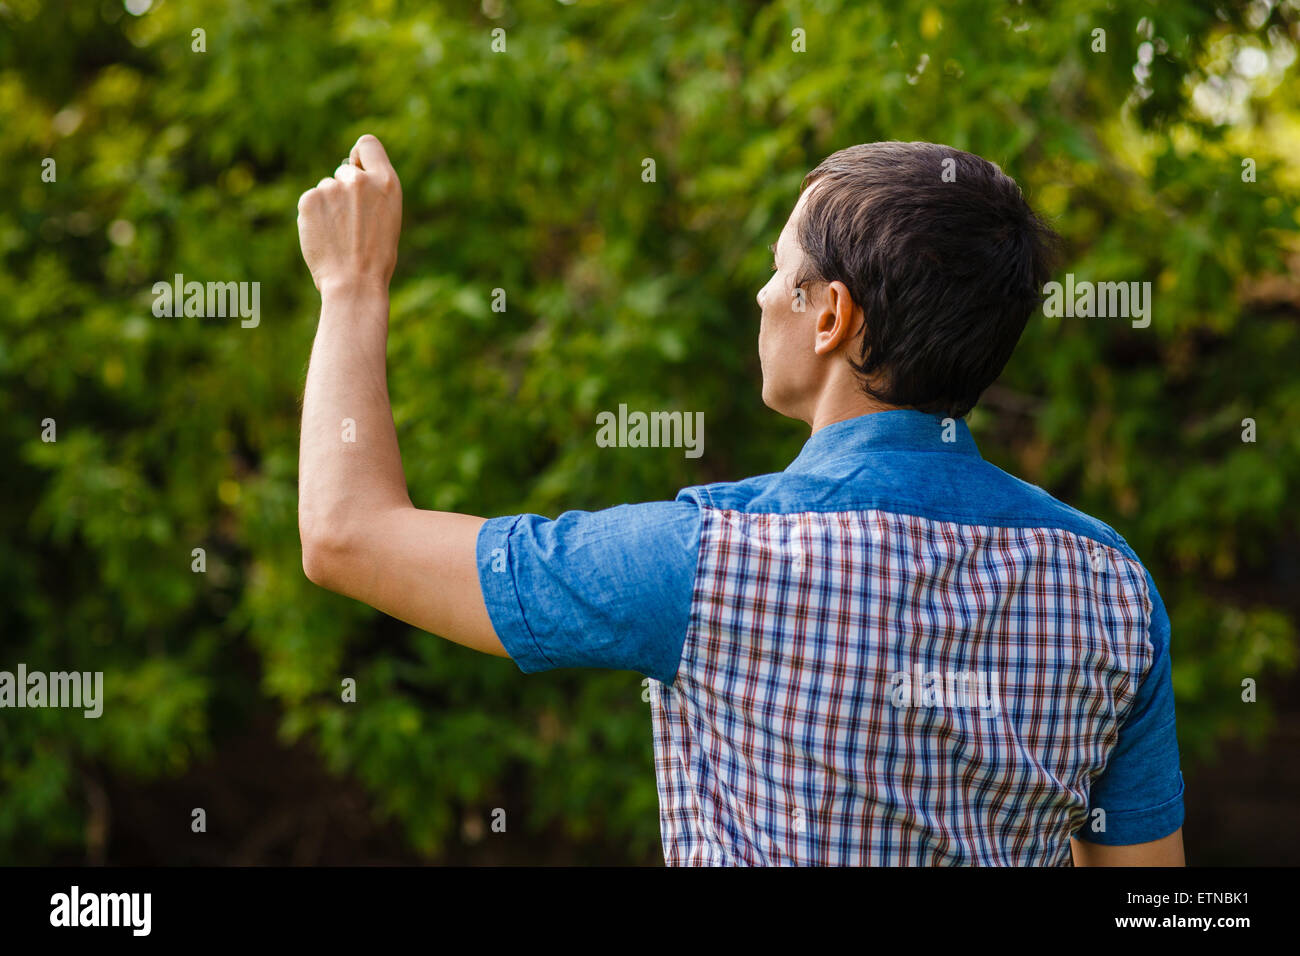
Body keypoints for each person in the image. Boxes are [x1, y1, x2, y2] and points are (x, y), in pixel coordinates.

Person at [295, 135, 1185, 866]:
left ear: (831, 316)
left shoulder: (710, 560)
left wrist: (352, 284)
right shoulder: (1111, 587)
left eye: (777, 267)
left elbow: (346, 535)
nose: (762, 294)